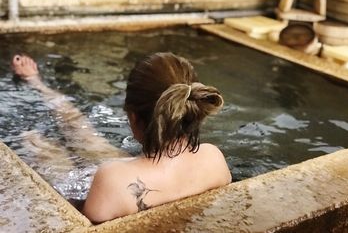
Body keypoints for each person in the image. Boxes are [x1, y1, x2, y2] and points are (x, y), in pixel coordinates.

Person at [12, 52, 231, 223]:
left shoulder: (112, 178)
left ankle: (35, 83)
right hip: (133, 178)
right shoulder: (213, 158)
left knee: (40, 146)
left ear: (133, 117)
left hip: (112, 190)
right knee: (89, 141)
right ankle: (36, 83)